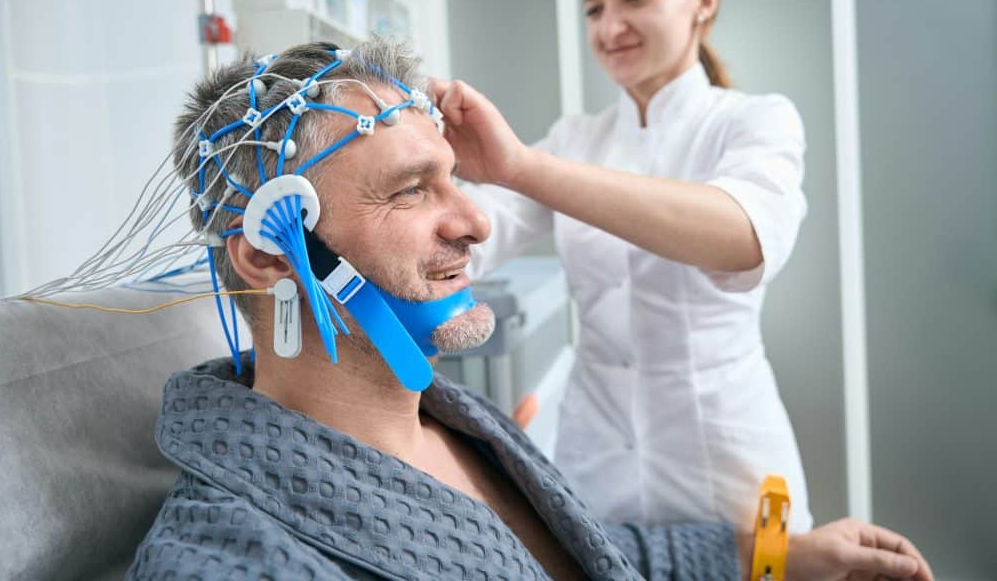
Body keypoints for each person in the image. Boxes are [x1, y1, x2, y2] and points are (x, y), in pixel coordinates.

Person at [128, 41, 933, 581]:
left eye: (455, 180)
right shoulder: (227, 551)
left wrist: (786, 556)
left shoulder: (462, 424)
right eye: (414, 188)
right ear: (271, 251)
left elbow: (595, 554)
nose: (478, 220)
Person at [436, 0, 813, 532]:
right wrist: (402, 176)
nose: (610, 27)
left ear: (703, 0)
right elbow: (481, 232)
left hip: (725, 450)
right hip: (597, 451)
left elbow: (743, 235)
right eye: (592, 9)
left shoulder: (753, 121)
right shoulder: (575, 138)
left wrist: (523, 166)